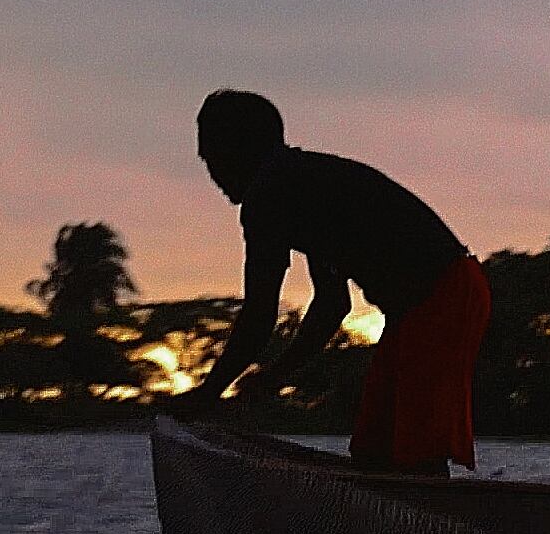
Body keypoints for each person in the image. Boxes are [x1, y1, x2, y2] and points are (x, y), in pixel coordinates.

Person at [185, 89, 488, 475]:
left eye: (212, 157)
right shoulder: (301, 184)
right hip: (433, 301)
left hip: (444, 298)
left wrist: (208, 394)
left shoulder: (270, 193)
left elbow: (260, 314)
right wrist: (272, 378)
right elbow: (332, 306)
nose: (212, 173)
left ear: (236, 151)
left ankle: (438, 530)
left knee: (413, 457)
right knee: (374, 452)